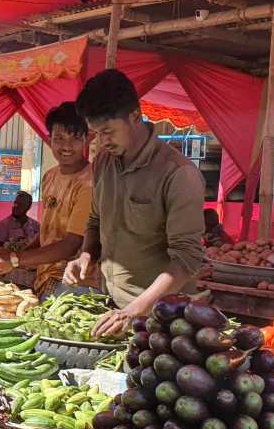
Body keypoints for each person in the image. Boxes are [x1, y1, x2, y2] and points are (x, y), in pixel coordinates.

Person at [63, 69, 206, 337]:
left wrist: (133, 311)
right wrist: (85, 255)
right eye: (96, 133)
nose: (103, 141)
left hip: (164, 321)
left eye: (108, 131)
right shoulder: (104, 162)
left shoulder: (178, 173)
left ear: (135, 116)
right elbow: (96, 219)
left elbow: (187, 260)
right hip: (112, 308)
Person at [0, 103, 96, 296]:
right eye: (59, 138)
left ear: (87, 140)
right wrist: (14, 257)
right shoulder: (50, 176)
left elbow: (71, 244)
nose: (66, 146)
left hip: (73, 284)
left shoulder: (89, 183)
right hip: (44, 277)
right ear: (49, 140)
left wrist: (15, 260)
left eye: (75, 139)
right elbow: (46, 233)